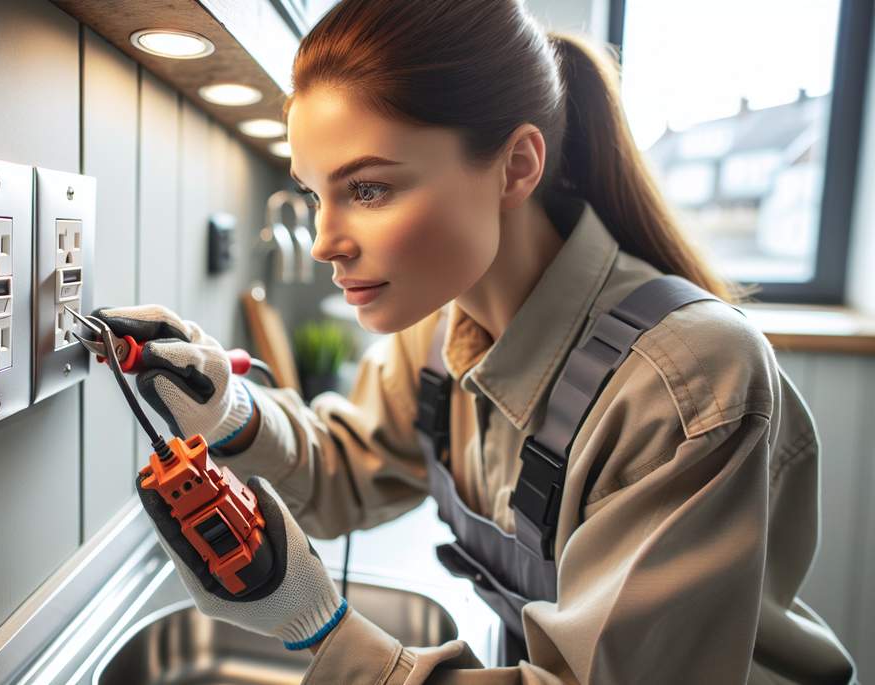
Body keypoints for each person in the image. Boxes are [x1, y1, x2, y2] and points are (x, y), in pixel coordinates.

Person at [93, 0, 857, 681]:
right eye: (313, 192)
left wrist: (321, 628)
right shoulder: (437, 329)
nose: (325, 241)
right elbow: (347, 470)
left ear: (516, 166)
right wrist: (232, 413)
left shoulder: (687, 383)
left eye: (368, 189)